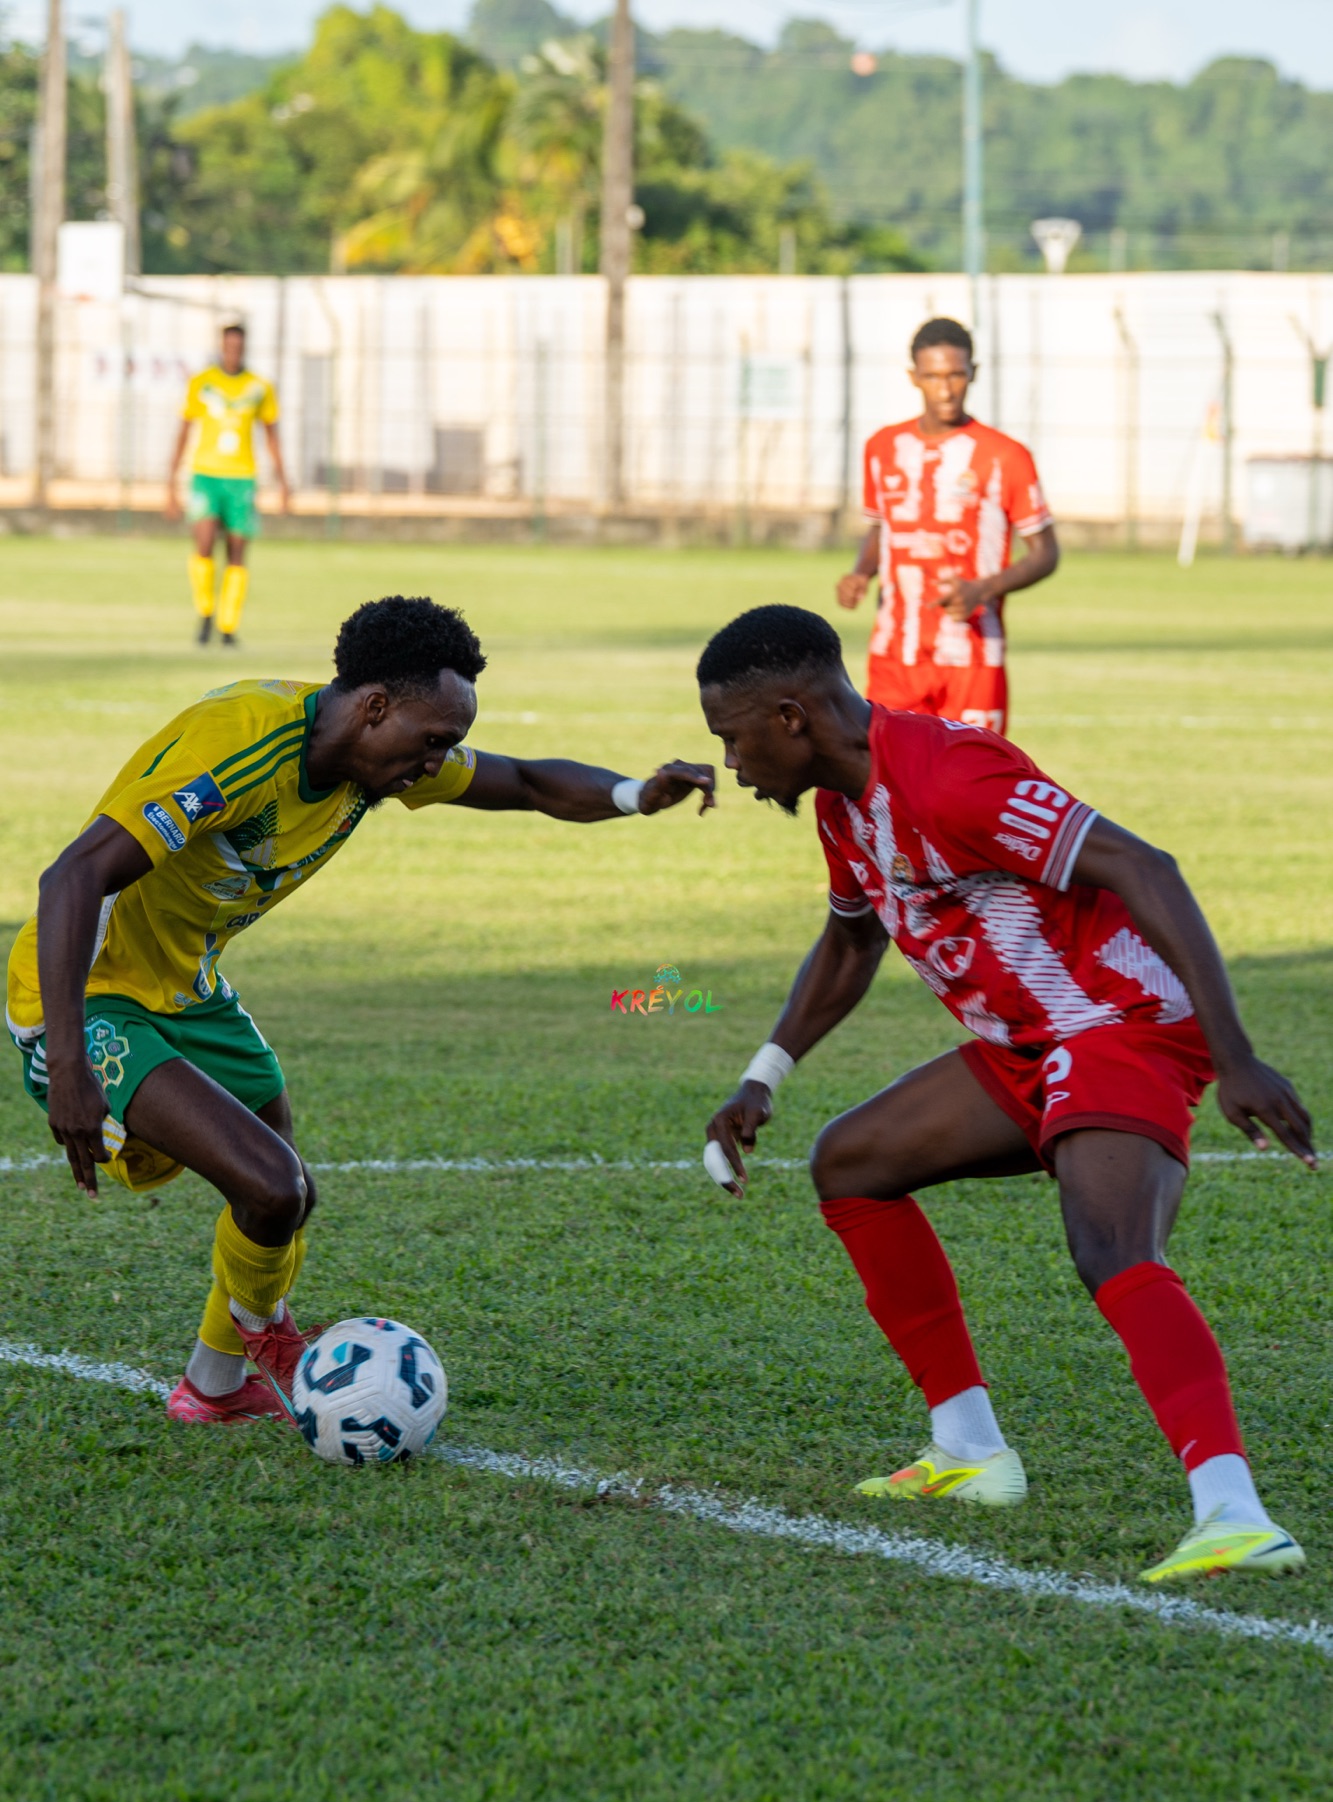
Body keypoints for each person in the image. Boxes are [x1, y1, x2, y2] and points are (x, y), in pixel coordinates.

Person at [699, 603, 1312, 1584]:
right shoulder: (841, 807)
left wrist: (1234, 1055)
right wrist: (762, 1074)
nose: (730, 765)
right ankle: (970, 1451)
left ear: (789, 717)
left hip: (1118, 1024)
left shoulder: (951, 775)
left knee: (1111, 1248)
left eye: (731, 739)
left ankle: (1234, 1512)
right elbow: (852, 940)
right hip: (1027, 1044)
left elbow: (1142, 865)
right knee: (852, 1162)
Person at [8, 596, 714, 1427]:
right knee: (272, 1186)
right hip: (87, 989)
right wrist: (68, 1061)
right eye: (432, 741)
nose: (436, 763)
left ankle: (214, 1388)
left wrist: (636, 793)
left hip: (186, 986)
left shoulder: (371, 756)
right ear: (375, 707)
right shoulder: (240, 744)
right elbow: (74, 875)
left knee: (285, 1188)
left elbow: (524, 781)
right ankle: (269, 1338)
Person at [836, 317, 1058, 736]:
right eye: (933, 377)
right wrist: (861, 573)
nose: (945, 389)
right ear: (914, 377)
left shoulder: (1006, 456)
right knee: (887, 770)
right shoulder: (882, 448)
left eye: (956, 375)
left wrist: (982, 589)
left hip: (971, 653)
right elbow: (882, 528)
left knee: (971, 772)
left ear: (973, 373)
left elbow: (1046, 552)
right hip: (895, 654)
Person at [166, 323, 291, 648]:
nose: (233, 352)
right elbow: (183, 431)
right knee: (204, 544)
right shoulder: (202, 382)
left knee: (236, 551)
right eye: (228, 347)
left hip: (242, 478)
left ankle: (228, 626)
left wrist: (284, 483)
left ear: (244, 348)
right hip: (206, 475)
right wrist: (170, 483)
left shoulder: (259, 387)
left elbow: (272, 436)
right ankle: (205, 613)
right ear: (222, 347)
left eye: (238, 347)